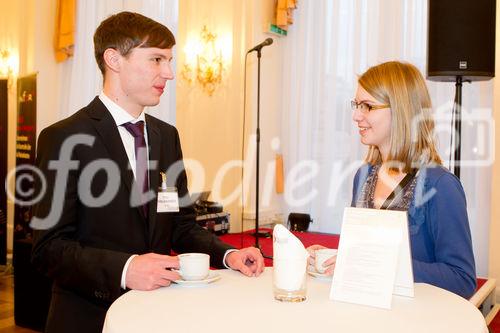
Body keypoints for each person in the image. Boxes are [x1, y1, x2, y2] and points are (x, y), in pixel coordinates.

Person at [31, 11, 264, 333]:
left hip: (158, 314)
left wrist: (228, 255)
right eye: (156, 59)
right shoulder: (65, 137)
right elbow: (48, 247)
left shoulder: (165, 136)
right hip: (89, 316)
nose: (168, 73)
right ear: (114, 59)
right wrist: (126, 268)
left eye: (169, 60)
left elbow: (180, 225)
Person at [308, 61, 476, 299]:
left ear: (401, 110)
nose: (356, 115)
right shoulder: (363, 176)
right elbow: (367, 253)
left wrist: (387, 266)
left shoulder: (441, 185)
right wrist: (336, 257)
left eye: (367, 106)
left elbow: (462, 279)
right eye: (356, 105)